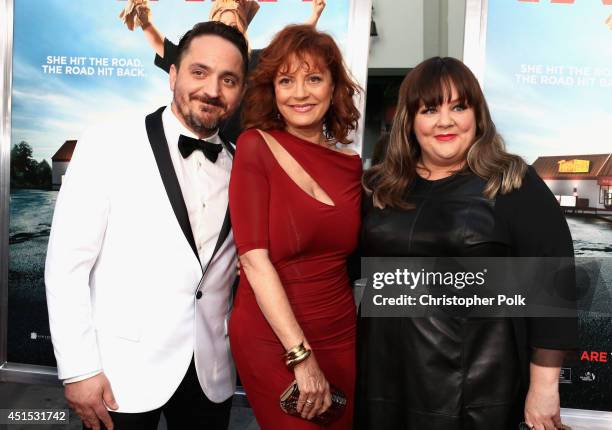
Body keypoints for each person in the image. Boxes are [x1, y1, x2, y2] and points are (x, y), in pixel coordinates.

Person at [45, 21, 248, 430]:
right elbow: (67, 265)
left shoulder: (243, 163)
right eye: (199, 72)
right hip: (121, 374)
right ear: (172, 75)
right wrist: (79, 369)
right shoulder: (108, 142)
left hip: (210, 373)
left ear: (240, 91)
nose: (212, 90)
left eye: (228, 79)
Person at [355, 57, 578, 430]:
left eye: (459, 106)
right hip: (384, 381)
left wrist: (544, 388)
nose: (445, 121)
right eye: (430, 109)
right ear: (410, 121)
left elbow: (554, 290)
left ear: (477, 115)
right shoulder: (380, 186)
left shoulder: (511, 182)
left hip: (478, 390)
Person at [227, 25, 362, 429]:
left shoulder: (352, 164)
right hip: (275, 337)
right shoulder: (254, 146)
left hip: (340, 331)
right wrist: (300, 358)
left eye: (314, 78)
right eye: (286, 80)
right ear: (273, 89)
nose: (300, 93)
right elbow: (253, 260)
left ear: (334, 85)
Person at [120, 0, 327, 142]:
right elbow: (163, 47)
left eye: (234, 24)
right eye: (223, 24)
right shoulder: (196, 59)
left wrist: (315, 16)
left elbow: (288, 45)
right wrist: (145, 22)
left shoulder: (258, 59)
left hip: (252, 147)